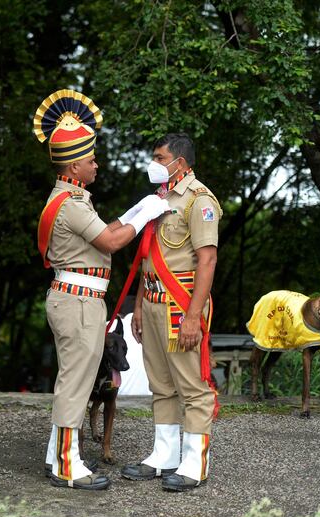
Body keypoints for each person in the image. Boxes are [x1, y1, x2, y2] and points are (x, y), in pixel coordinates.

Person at [34, 89, 169, 490]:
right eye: (91, 159)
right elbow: (111, 243)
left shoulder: (71, 199)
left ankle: (55, 454)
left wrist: (133, 213)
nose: (97, 164)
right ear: (75, 164)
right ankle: (66, 464)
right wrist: (147, 214)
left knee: (72, 379)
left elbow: (104, 232)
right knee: (75, 382)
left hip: (78, 297)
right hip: (78, 300)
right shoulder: (72, 203)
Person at [121, 133, 222, 491]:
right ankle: (164, 455)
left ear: (180, 162)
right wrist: (137, 305)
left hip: (182, 304)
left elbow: (207, 260)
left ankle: (194, 462)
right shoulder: (159, 198)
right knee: (160, 384)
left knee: (192, 386)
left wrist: (195, 316)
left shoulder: (199, 201)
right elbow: (147, 255)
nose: (154, 163)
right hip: (150, 302)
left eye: (160, 158)